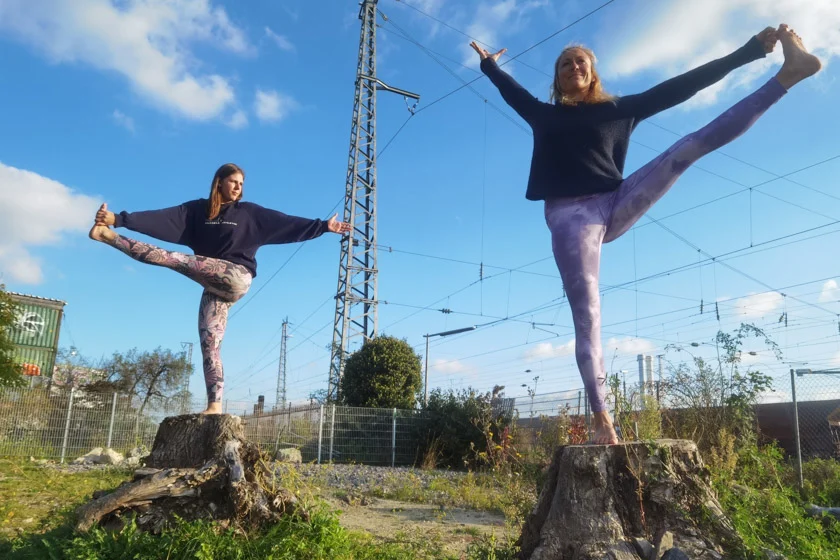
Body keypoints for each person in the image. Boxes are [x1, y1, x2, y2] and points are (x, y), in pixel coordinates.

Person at [471, 24, 821, 444]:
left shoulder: (620, 108)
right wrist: (490, 65)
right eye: (564, 64)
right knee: (588, 312)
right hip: (571, 217)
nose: (573, 65)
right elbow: (513, 93)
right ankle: (603, 422)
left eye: (580, 60)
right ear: (557, 78)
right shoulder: (544, 115)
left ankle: (788, 76)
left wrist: (747, 51)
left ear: (592, 72)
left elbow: (684, 86)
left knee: (690, 145)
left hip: (616, 200)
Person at [89, 163, 351, 414]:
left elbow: (286, 223)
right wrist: (118, 218)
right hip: (212, 284)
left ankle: (107, 236)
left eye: (241, 184)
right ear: (219, 183)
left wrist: (324, 226)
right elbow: (160, 219)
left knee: (174, 259)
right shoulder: (196, 212)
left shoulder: (249, 213)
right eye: (233, 182)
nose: (238, 188)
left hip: (237, 276)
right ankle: (215, 406)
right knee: (210, 343)